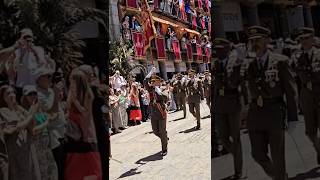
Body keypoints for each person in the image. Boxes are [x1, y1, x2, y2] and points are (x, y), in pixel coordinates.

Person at [243, 26, 298, 180]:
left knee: (278, 155)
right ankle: (280, 177)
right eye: (252, 40)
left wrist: (293, 117)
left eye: (258, 40)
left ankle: (280, 176)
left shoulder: (280, 61)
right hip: (255, 114)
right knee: (257, 154)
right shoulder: (248, 64)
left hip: (274, 111)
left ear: (267, 40)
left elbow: (291, 91)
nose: (255, 43)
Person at [213, 38, 246, 179]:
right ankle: (238, 155)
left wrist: (246, 106)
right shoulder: (214, 65)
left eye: (221, 49)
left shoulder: (236, 64)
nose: (218, 52)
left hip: (233, 104)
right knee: (223, 138)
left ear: (227, 50)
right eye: (217, 50)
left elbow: (240, 84)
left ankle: (239, 170)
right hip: (220, 106)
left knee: (236, 137)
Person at [64, 69, 102, 180]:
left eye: (73, 81)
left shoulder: (88, 94)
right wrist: (71, 97)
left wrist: (75, 100)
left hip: (86, 131)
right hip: (74, 132)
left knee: (89, 164)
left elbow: (85, 112)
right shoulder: (72, 92)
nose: (71, 84)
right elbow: (67, 107)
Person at [291, 27, 320, 164]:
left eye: (306, 38)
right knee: (310, 131)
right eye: (301, 39)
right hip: (306, 95)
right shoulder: (296, 57)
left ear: (313, 38)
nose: (304, 41)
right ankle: (318, 149)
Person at [0, 85, 40, 180]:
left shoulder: (18, 110)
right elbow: (17, 127)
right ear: (3, 98)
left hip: (28, 149)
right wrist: (32, 112)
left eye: (13, 92)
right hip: (16, 152)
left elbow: (32, 126)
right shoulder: (3, 111)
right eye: (8, 93)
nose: (12, 95)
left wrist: (20, 108)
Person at [20, 85, 58, 180]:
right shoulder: (25, 112)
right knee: (43, 172)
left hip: (46, 144)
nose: (33, 96)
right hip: (37, 145)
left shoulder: (39, 108)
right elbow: (33, 131)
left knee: (52, 171)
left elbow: (50, 115)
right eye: (30, 94)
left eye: (34, 93)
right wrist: (47, 122)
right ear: (25, 96)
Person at [78, 65, 109, 180]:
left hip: (99, 134)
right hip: (91, 137)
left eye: (93, 75)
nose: (93, 78)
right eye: (90, 75)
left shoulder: (97, 92)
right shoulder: (85, 95)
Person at [35, 67, 66, 180]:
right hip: (52, 135)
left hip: (61, 131)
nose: (50, 78)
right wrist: (56, 96)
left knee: (64, 165)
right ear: (39, 79)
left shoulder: (49, 91)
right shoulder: (39, 94)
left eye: (50, 76)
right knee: (58, 167)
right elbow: (52, 112)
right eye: (47, 76)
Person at [144, 68, 169, 156]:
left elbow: (166, 98)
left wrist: (160, 93)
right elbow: (145, 82)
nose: (153, 83)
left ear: (159, 82)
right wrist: (150, 73)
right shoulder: (151, 89)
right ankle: (165, 138)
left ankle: (164, 149)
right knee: (155, 131)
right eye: (152, 81)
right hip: (153, 113)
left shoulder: (162, 88)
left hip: (161, 112)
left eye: (155, 82)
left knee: (162, 132)